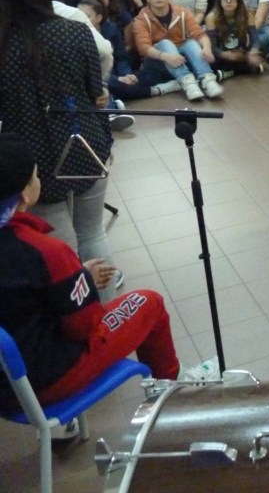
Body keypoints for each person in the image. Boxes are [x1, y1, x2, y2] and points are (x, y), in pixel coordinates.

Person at [0, 134, 220, 421]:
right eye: (36, 176)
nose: (38, 180)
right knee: (148, 303)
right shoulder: (46, 250)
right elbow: (83, 327)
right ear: (25, 195)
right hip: (43, 382)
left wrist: (75, 282)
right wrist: (83, 283)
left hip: (6, 380)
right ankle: (176, 392)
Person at [0, 0, 118, 298]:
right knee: (93, 232)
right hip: (85, 142)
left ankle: (80, 312)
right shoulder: (74, 30)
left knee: (61, 248)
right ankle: (109, 315)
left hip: (32, 159)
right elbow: (96, 91)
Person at [132, 0, 223, 101]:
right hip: (157, 60)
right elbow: (143, 47)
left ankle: (207, 79)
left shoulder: (181, 12)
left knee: (191, 43)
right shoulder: (141, 19)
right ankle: (188, 83)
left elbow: (199, 33)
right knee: (166, 43)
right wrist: (164, 56)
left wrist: (207, 49)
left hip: (181, 59)